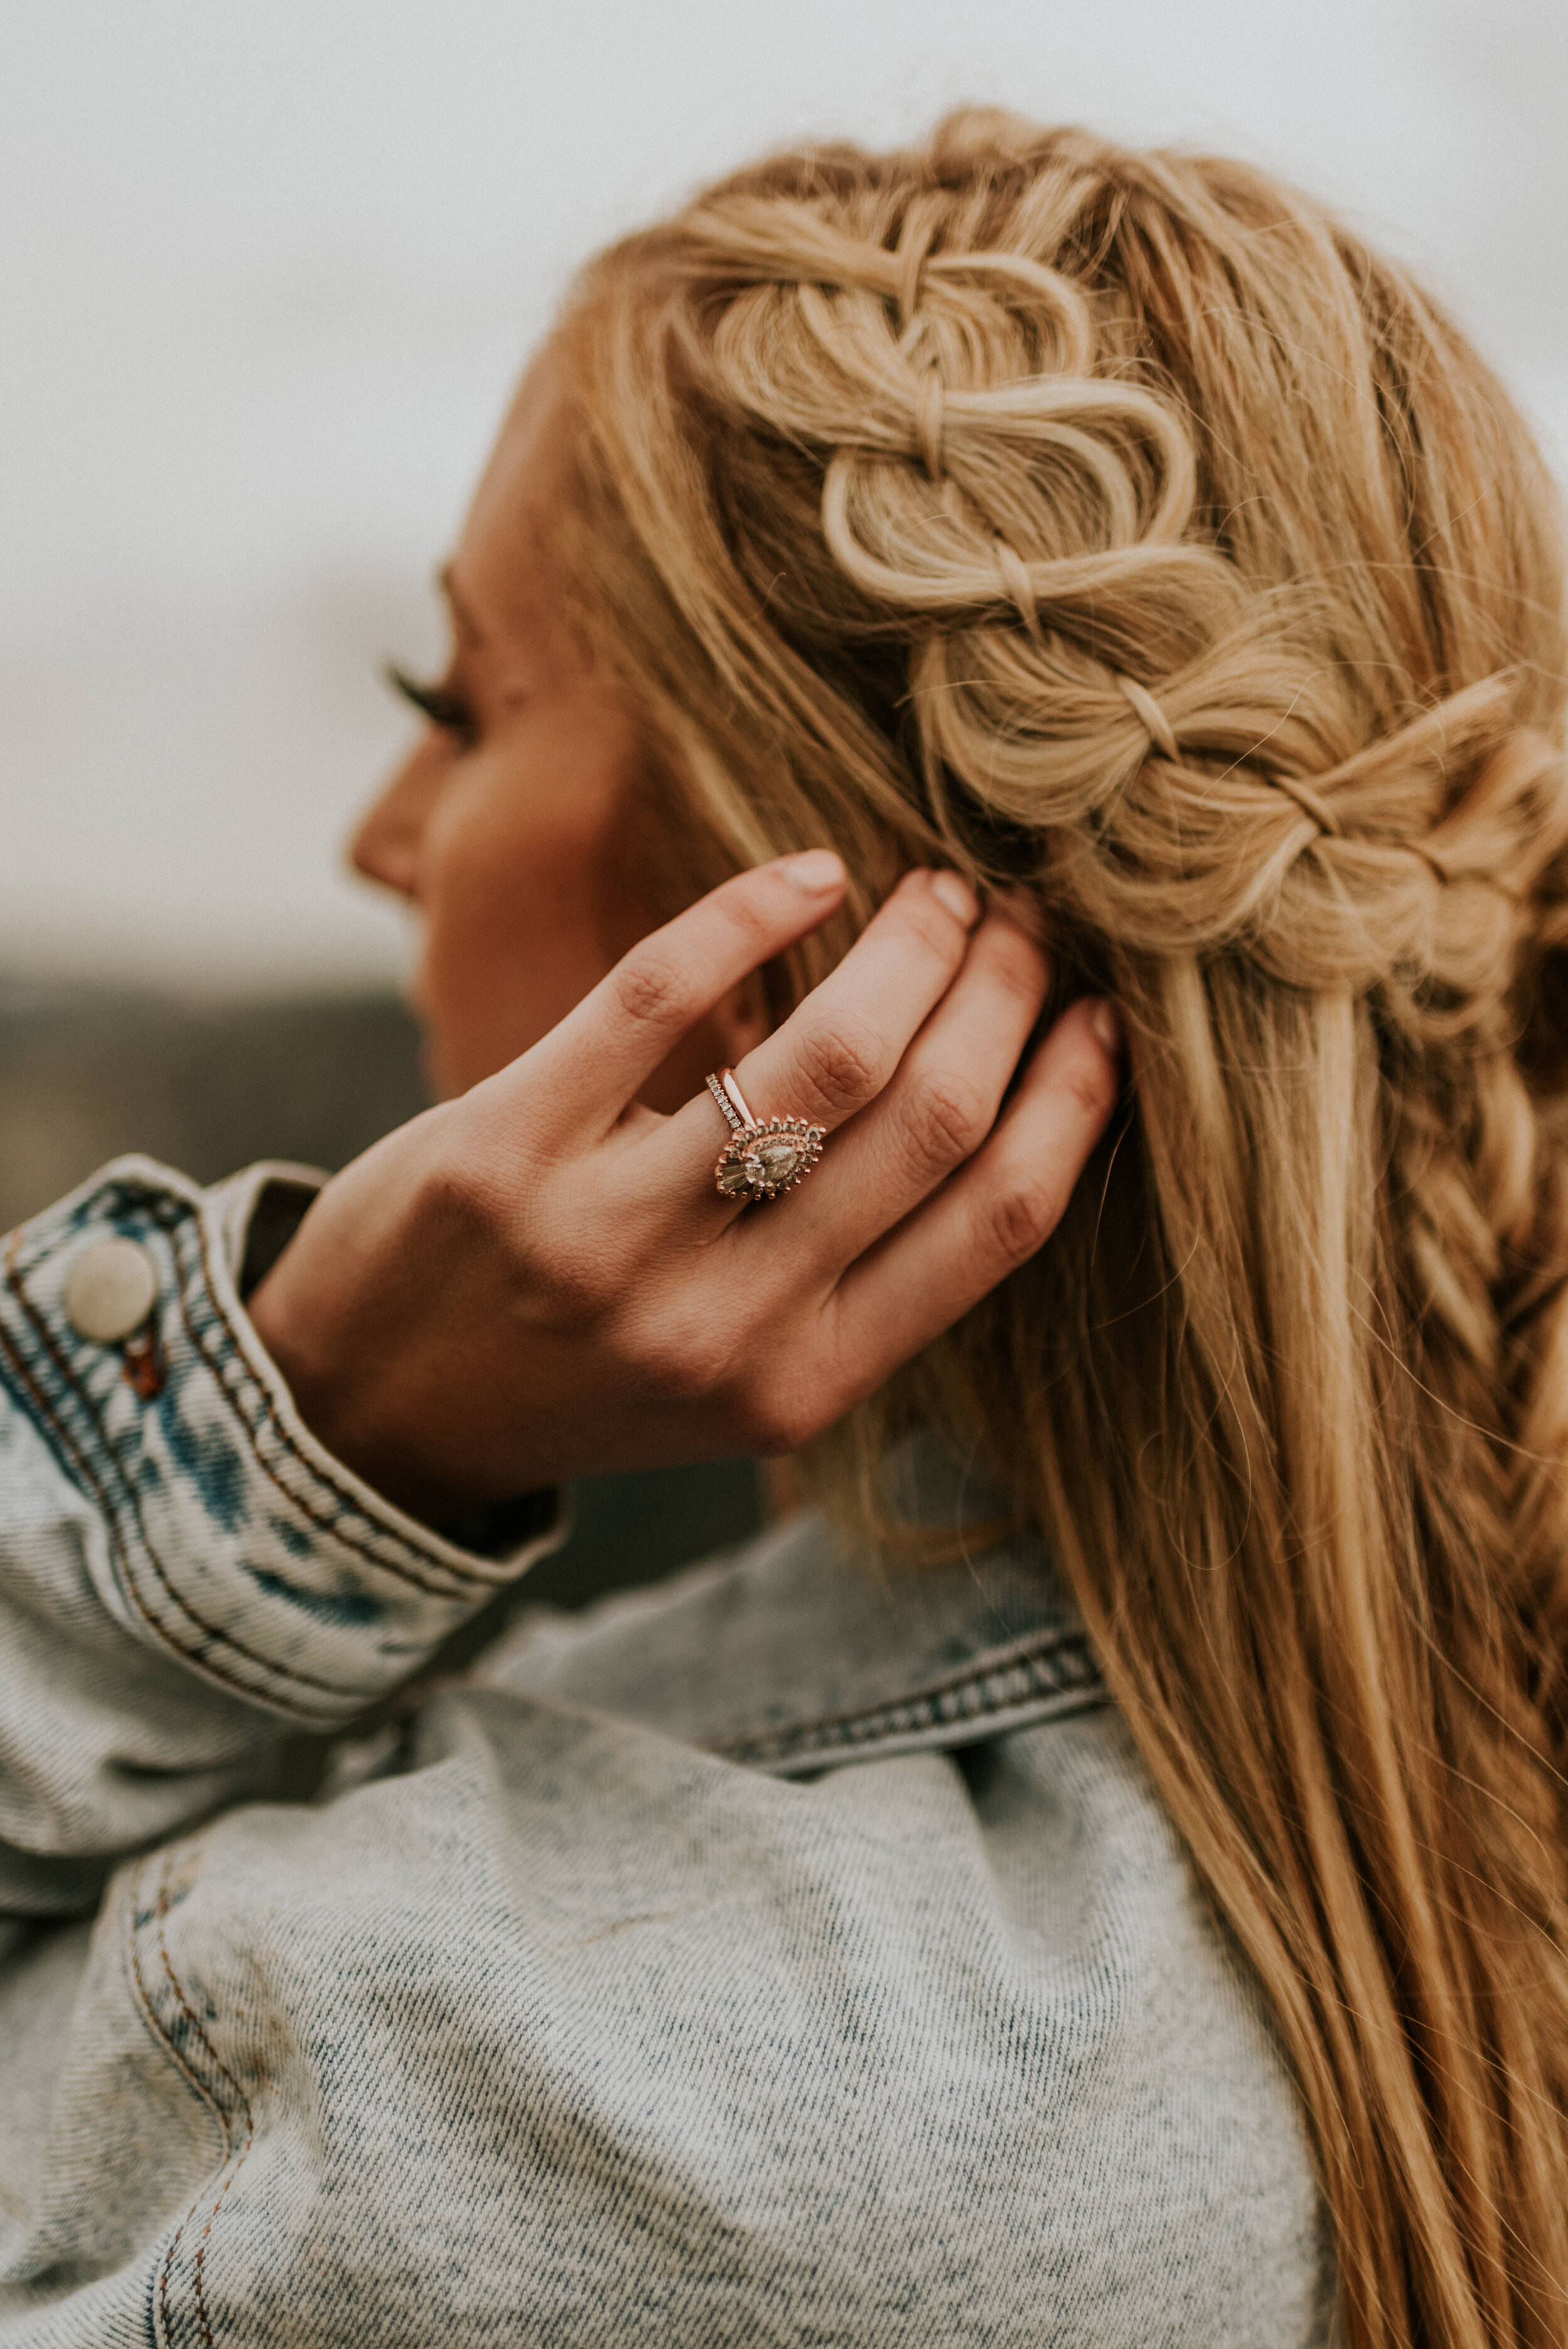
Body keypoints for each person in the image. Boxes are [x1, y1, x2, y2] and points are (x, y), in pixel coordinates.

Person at [2, 105, 1564, 2348]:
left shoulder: (626, 2100)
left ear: (799, 931)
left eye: (458, 704)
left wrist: (298, 1435)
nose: (381, 832)